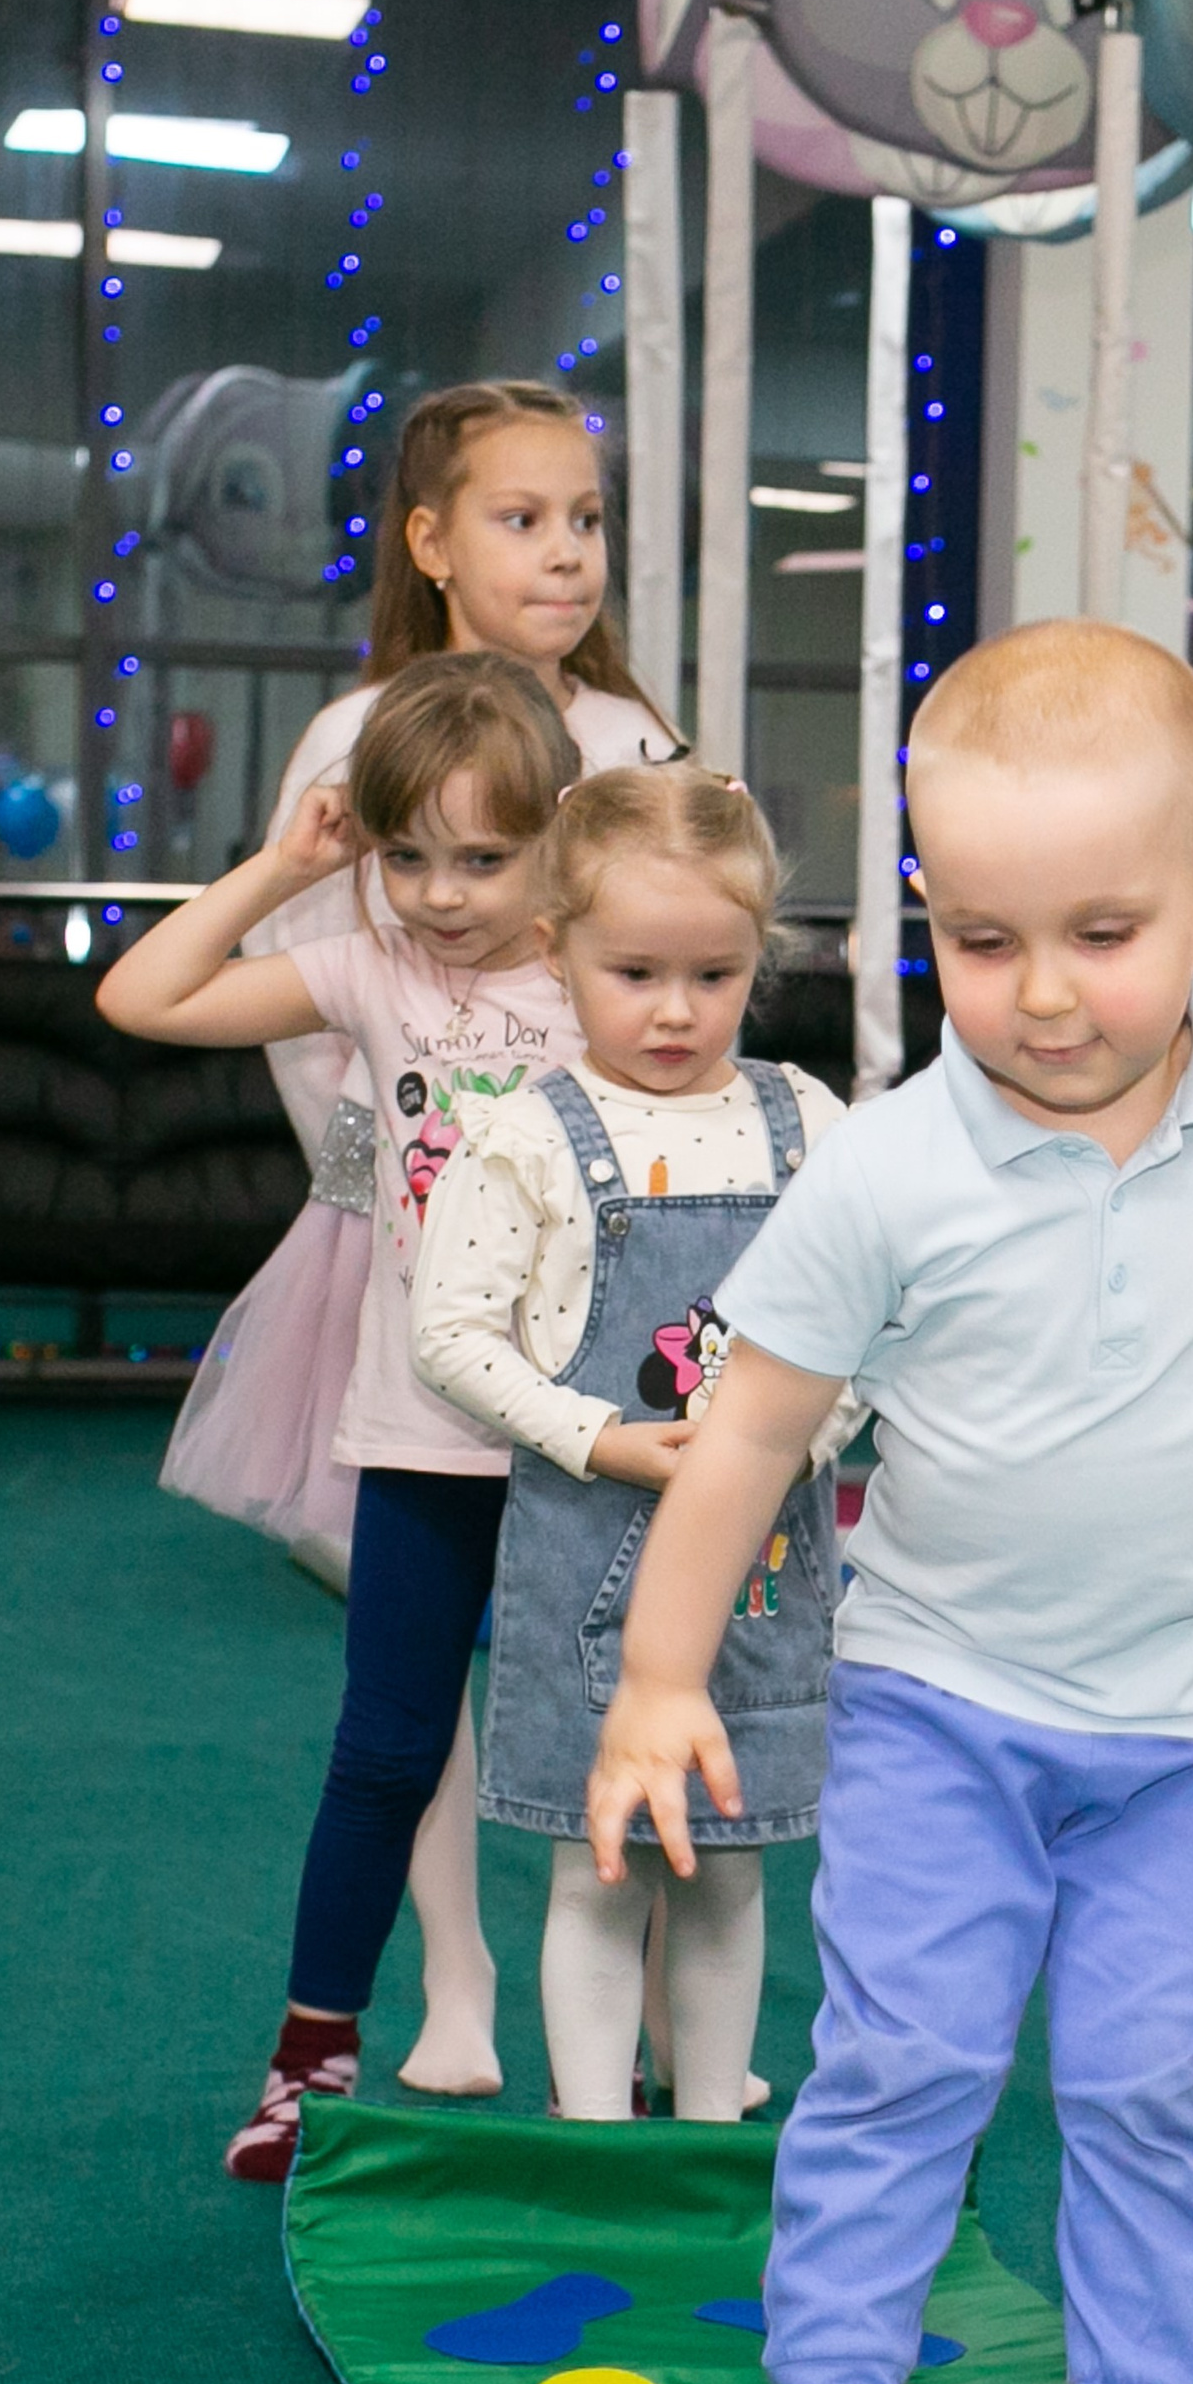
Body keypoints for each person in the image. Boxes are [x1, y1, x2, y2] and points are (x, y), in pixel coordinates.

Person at [586, 619, 1193, 2384]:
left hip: (1189, 1736)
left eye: (1101, 933)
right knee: (903, 2072)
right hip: (942, 1712)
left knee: (1150, 2090)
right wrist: (659, 1678)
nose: (1041, 995)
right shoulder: (887, 1166)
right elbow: (751, 1433)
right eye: (978, 940)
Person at [161, 379, 680, 2099]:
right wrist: (426, 1201)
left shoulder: (631, 744)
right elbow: (325, 1006)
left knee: (607, 1670)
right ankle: (447, 1984)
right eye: (522, 520)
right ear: (433, 542)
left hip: (602, 1316)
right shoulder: (356, 743)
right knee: (415, 1684)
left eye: (585, 519)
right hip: (406, 1268)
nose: (565, 552)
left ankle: (656, 2030)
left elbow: (682, 993)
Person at [100, 652, 592, 2182]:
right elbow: (141, 995)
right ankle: (312, 2058)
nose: (442, 895)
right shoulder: (372, 973)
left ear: (561, 842)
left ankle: (641, 2057)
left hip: (594, 1445)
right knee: (384, 1748)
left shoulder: (603, 973)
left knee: (608, 1753)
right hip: (427, 1430)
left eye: (486, 858)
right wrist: (285, 865)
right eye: (408, 857)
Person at [409, 767, 847, 2123]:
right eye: (635, 971)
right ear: (557, 951)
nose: (674, 1010)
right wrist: (601, 1436)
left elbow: (879, 1324)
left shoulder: (811, 1125)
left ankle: (710, 2129)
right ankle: (594, 2142)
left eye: (713, 975)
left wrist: (806, 1431)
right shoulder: (528, 1134)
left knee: (725, 1866)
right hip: (587, 1555)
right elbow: (454, 1335)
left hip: (765, 1580)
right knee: (598, 1868)